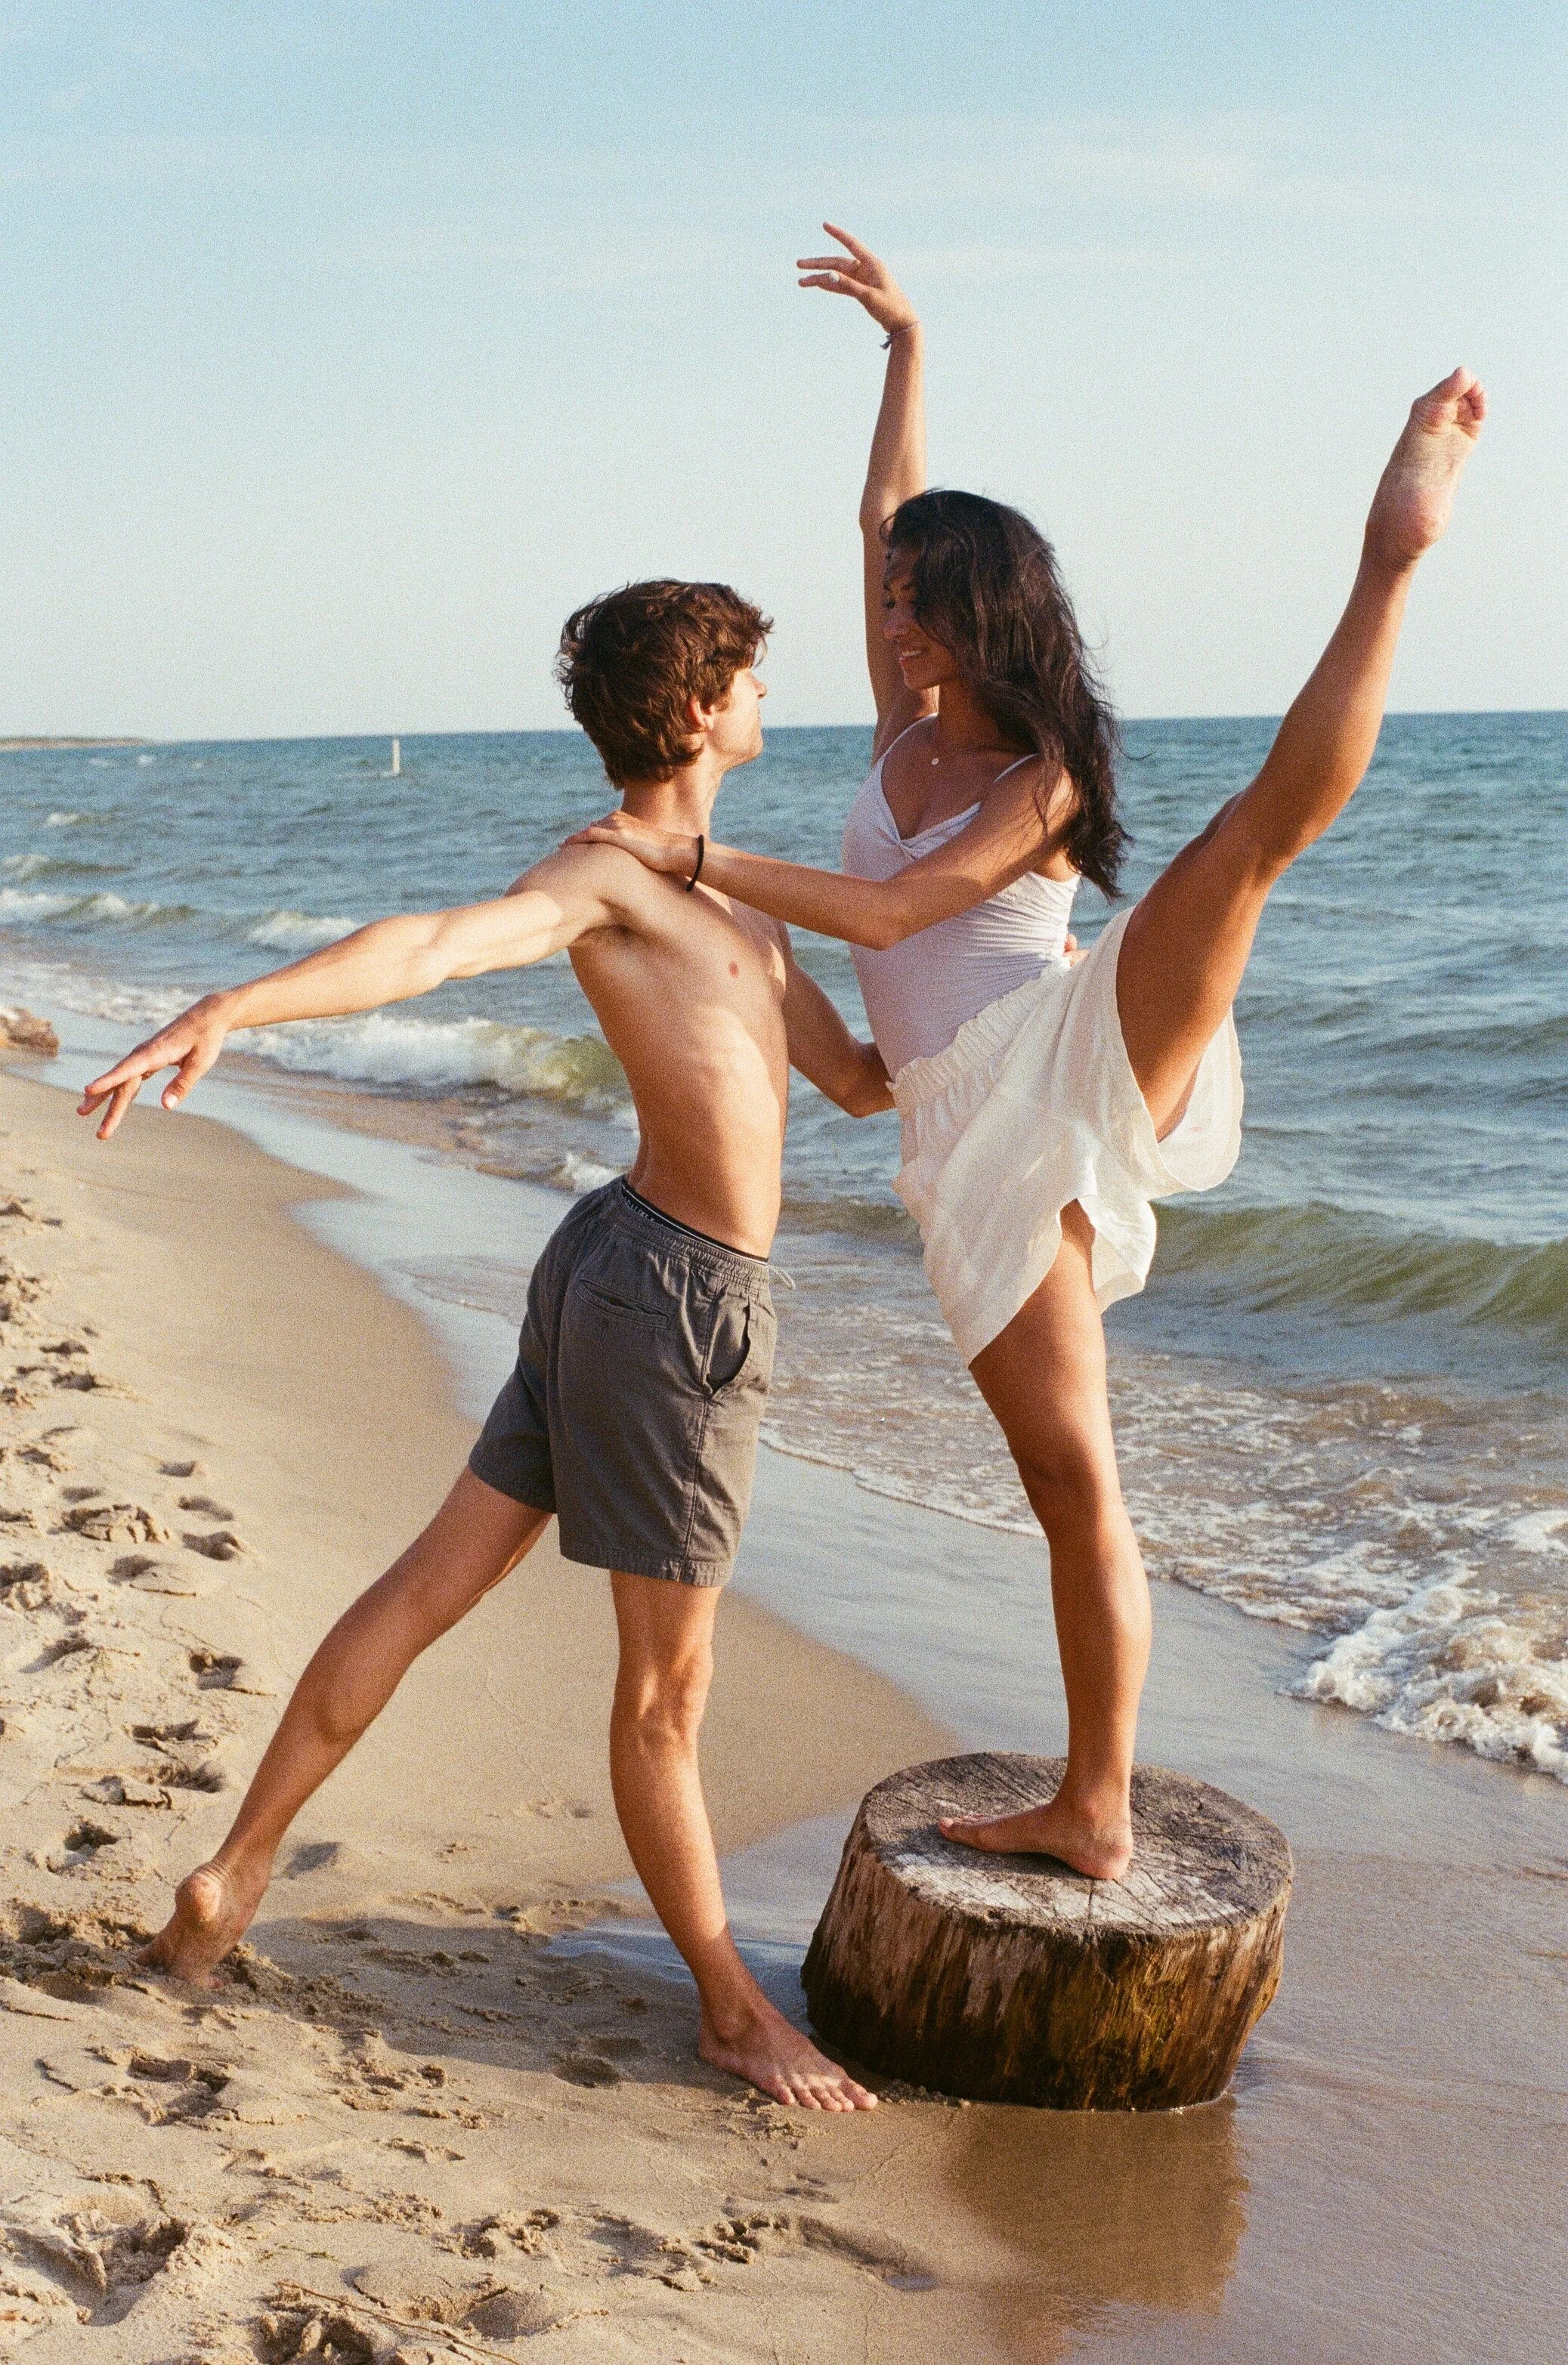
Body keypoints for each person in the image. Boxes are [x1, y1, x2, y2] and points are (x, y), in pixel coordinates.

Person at [572, 226, 1486, 1884]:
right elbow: (883, 525)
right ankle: (1092, 1790)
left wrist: (692, 862)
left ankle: (1390, 558)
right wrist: (906, 345)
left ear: (977, 612)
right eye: (889, 599)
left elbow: (899, 904)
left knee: (1251, 835)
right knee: (1067, 1477)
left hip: (1065, 1052)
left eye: (915, 600)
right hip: (954, 1134)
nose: (889, 612)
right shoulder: (903, 721)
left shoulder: (1045, 771)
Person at [77, 578, 893, 2110]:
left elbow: (857, 1079)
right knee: (665, 1690)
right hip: (670, 1300)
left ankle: (230, 1880)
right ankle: (729, 2005)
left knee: (436, 1579)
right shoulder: (607, 875)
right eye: (755, 679)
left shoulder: (728, 893)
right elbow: (438, 946)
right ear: (703, 708)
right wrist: (233, 1007)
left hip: (623, 1260)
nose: (773, 699)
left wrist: (1027, 988)